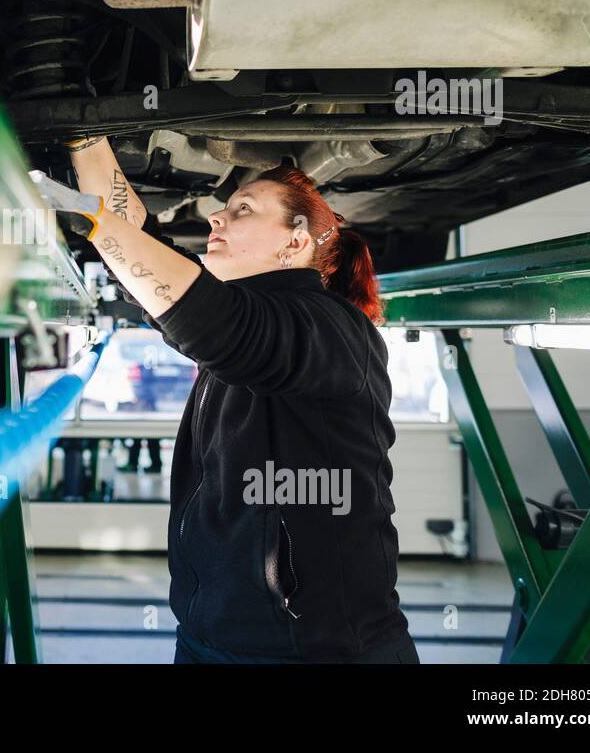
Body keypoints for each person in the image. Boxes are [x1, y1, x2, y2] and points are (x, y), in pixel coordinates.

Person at [34, 136, 418, 664]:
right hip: (209, 638)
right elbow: (151, 254)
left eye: (242, 210)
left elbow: (210, 322)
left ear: (295, 243)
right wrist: (84, 139)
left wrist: (94, 221)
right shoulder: (248, 313)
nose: (216, 218)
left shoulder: (333, 327)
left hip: (313, 651)